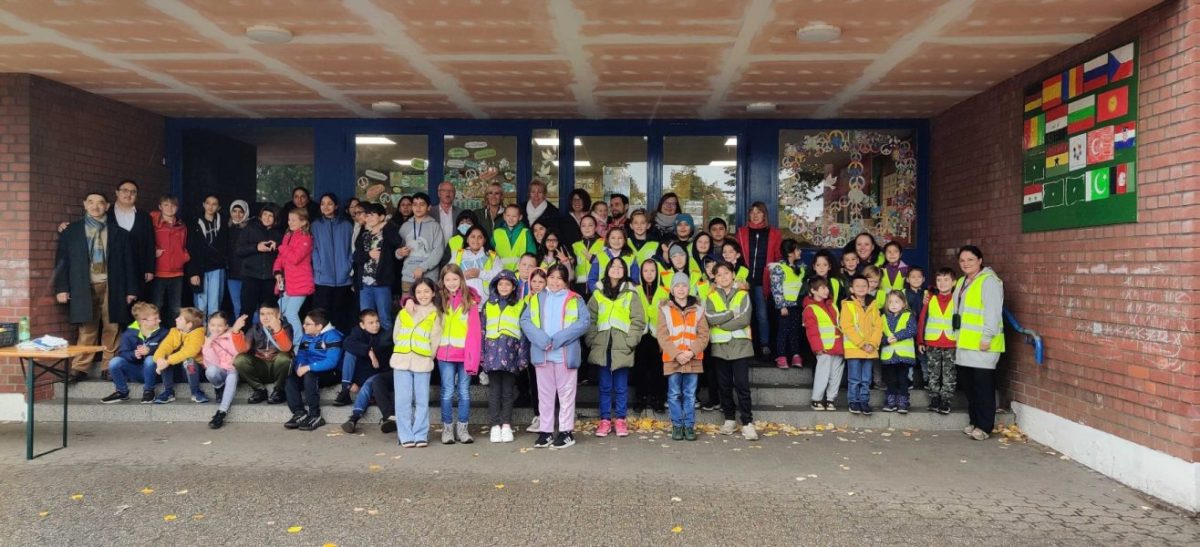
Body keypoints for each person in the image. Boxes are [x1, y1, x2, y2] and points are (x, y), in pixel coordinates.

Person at [54, 192, 139, 381]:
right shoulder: (72, 231)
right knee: (86, 327)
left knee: (113, 326)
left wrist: (131, 290)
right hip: (83, 285)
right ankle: (80, 368)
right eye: (91, 202)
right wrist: (61, 288)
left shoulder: (119, 233)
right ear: (84, 204)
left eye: (100, 203)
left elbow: (129, 263)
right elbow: (62, 261)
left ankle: (109, 366)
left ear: (107, 206)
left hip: (112, 285)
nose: (95, 206)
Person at [520, 263, 591, 449]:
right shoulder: (536, 298)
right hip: (543, 354)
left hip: (564, 355)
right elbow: (525, 321)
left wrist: (559, 339)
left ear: (565, 280)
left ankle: (566, 432)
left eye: (559, 278)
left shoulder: (575, 299)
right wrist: (541, 339)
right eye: (551, 277)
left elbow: (584, 322)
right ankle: (546, 431)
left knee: (566, 395)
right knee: (544, 395)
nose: (555, 281)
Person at [586, 258, 645, 438]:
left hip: (622, 346)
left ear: (625, 271)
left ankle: (620, 419)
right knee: (604, 386)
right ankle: (604, 420)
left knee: (620, 386)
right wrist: (591, 339)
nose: (617, 269)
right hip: (602, 346)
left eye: (621, 267)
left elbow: (638, 320)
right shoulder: (597, 293)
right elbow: (590, 319)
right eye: (613, 266)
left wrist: (631, 342)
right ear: (607, 269)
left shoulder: (630, 293)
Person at [951, 246, 1004, 441]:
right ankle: (974, 421)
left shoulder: (989, 282)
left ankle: (984, 426)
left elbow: (993, 311)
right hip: (965, 344)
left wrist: (987, 336)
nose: (966, 263)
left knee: (983, 387)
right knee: (970, 386)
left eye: (970, 260)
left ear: (980, 260)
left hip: (983, 344)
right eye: (962, 260)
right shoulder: (962, 281)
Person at [705, 261, 758, 440]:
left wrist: (723, 324)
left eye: (726, 273)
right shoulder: (711, 296)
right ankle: (729, 419)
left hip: (740, 345)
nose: (723, 277)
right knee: (724, 386)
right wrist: (729, 314)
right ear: (715, 278)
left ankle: (747, 422)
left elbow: (744, 318)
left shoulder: (743, 294)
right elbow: (710, 318)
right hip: (720, 347)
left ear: (733, 274)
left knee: (742, 385)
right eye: (718, 275)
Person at [657, 272, 710, 441]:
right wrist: (677, 354)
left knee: (690, 394)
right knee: (673, 394)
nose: (681, 289)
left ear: (689, 288)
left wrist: (690, 352)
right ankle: (677, 426)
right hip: (673, 359)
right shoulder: (664, 309)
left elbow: (704, 335)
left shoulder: (699, 309)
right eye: (677, 286)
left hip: (692, 358)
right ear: (672, 289)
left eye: (684, 285)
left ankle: (689, 426)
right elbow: (662, 335)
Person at [435, 264, 483, 445]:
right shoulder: (438, 299)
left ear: (461, 280)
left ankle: (462, 428)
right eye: (448, 280)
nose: (452, 283)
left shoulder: (470, 300)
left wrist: (475, 356)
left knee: (464, 392)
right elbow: (416, 294)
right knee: (447, 392)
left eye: (455, 279)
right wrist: (406, 301)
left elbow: (475, 330)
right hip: (445, 354)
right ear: (443, 281)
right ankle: (447, 428)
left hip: (465, 354)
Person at [391, 278, 442, 448]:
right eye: (419, 292)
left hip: (422, 361)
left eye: (426, 291)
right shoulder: (404, 311)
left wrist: (429, 356)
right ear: (414, 294)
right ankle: (405, 435)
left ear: (433, 293)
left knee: (421, 400)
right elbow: (396, 335)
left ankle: (420, 434)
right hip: (401, 360)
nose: (423, 295)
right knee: (402, 400)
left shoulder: (435, 313)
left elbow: (435, 338)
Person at [481, 270, 527, 443]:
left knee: (508, 392)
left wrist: (522, 356)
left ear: (514, 286)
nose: (504, 287)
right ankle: (494, 426)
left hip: (511, 353)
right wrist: (481, 355)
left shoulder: (520, 305)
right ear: (495, 286)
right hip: (492, 354)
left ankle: (506, 425)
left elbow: (523, 333)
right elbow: (482, 330)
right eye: (500, 284)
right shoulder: (488, 305)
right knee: (494, 392)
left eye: (508, 284)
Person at [283, 309, 344, 432]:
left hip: (331, 373)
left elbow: (332, 362)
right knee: (290, 379)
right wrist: (300, 366)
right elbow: (301, 355)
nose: (303, 326)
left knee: (310, 375)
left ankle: (315, 415)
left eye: (307, 324)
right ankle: (299, 413)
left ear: (319, 326)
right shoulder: (306, 336)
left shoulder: (333, 336)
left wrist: (309, 367)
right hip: (309, 371)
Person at [736, 201, 781, 358]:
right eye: (752, 212)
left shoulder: (774, 233)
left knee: (762, 315)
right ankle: (744, 345)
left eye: (759, 212)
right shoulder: (741, 232)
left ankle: (764, 345)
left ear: (764, 215)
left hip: (763, 281)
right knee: (742, 314)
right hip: (744, 280)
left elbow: (778, 258)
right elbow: (737, 256)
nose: (755, 215)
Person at [100, 302, 168, 404]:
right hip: (137, 371)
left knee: (150, 359)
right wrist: (134, 354)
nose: (159, 320)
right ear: (143, 321)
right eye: (155, 319)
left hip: (156, 372)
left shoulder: (164, 332)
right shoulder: (129, 333)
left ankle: (149, 391)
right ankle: (122, 392)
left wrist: (150, 350)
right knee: (114, 362)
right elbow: (122, 353)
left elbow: (169, 351)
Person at [353, 203, 404, 334]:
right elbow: (356, 257)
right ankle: (368, 349)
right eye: (367, 215)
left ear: (382, 217)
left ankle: (386, 350)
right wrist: (368, 254)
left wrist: (385, 225)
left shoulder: (387, 232)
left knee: (384, 318)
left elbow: (397, 241)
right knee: (366, 318)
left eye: (373, 215)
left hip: (381, 283)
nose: (369, 217)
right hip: (364, 284)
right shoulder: (364, 234)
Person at [232, 303, 293, 405]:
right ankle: (259, 390)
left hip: (278, 368)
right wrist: (235, 331)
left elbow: (286, 348)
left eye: (270, 314)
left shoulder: (286, 326)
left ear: (278, 315)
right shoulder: (255, 327)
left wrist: (277, 329)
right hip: (261, 367)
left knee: (285, 358)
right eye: (262, 314)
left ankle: (279, 390)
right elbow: (243, 349)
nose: (265, 317)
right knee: (239, 359)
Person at [311, 193, 355, 334]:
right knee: (321, 314)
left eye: (330, 203)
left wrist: (347, 267)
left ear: (336, 206)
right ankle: (322, 344)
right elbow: (313, 249)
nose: (326, 206)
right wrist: (319, 267)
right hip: (323, 278)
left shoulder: (347, 225)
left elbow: (352, 248)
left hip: (343, 279)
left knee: (341, 315)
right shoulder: (315, 225)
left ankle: (339, 345)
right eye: (323, 203)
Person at [334, 309, 393, 408]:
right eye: (371, 323)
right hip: (360, 372)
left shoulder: (383, 335)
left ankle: (348, 390)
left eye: (377, 321)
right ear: (362, 325)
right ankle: (345, 388)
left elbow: (379, 366)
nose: (376, 325)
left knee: (353, 352)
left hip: (374, 373)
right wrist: (369, 351)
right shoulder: (357, 331)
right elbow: (347, 343)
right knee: (349, 353)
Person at [841, 274, 882, 416]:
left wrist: (873, 343)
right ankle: (853, 401)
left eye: (864, 285)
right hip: (854, 348)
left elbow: (878, 326)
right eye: (857, 286)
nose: (861, 288)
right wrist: (862, 344)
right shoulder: (847, 304)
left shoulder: (873, 304)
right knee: (854, 379)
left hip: (870, 349)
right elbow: (847, 326)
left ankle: (864, 401)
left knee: (866, 379)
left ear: (868, 287)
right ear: (851, 288)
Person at [919, 268, 958, 415]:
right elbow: (923, 319)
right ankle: (934, 398)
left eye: (946, 279)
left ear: (953, 282)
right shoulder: (930, 299)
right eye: (939, 280)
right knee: (933, 373)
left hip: (951, 342)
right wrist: (920, 341)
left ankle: (946, 400)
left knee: (949, 373)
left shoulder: (957, 299)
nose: (942, 283)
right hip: (932, 342)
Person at [235, 204, 283, 322]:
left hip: (269, 278)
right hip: (250, 276)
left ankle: (266, 339)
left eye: (270, 216)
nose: (267, 218)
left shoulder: (279, 233)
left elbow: (284, 256)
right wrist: (256, 247)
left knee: (268, 311)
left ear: (275, 218)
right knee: (246, 310)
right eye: (265, 214)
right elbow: (239, 250)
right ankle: (243, 338)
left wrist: (277, 247)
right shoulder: (250, 228)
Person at [151, 307, 208, 404]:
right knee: (164, 356)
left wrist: (167, 361)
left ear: (189, 324)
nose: (176, 319)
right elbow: (164, 347)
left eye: (180, 318)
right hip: (178, 371)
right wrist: (160, 359)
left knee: (189, 361)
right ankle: (168, 392)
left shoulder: (198, 334)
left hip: (195, 372)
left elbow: (189, 352)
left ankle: (196, 392)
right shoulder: (174, 331)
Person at [633, 260, 669, 413]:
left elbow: (668, 316)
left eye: (652, 270)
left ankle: (657, 399)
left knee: (657, 369)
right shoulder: (636, 290)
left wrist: (664, 338)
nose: (649, 274)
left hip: (657, 335)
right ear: (641, 273)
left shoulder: (664, 291)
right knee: (639, 368)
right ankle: (640, 398)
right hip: (641, 335)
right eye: (645, 270)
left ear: (657, 272)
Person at [110, 179, 157, 296]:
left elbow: (150, 244)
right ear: (117, 193)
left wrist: (150, 269)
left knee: (136, 304)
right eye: (125, 190)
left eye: (133, 192)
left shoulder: (144, 217)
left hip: (138, 268)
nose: (128, 194)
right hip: (112, 268)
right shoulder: (106, 214)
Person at [803, 278, 844, 411]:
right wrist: (817, 347)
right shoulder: (810, 309)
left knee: (836, 374)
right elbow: (812, 331)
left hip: (838, 346)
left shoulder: (832, 305)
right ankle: (817, 399)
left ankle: (831, 399)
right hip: (824, 348)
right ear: (813, 290)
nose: (827, 290)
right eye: (823, 287)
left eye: (827, 287)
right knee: (823, 373)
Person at [202, 311, 248, 429]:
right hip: (221, 371)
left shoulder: (235, 334)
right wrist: (208, 345)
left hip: (235, 369)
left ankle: (221, 412)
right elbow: (213, 363)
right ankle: (219, 387)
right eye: (212, 325)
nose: (215, 328)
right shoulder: (208, 340)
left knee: (232, 375)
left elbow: (239, 354)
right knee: (211, 371)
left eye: (219, 325)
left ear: (226, 326)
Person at [274, 208, 315, 337]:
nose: (290, 223)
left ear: (303, 222)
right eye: (289, 220)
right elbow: (281, 258)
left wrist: (280, 247)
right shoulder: (287, 236)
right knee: (279, 311)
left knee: (291, 313)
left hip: (301, 282)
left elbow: (294, 258)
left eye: (294, 220)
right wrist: (277, 271)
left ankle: (299, 344)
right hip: (289, 282)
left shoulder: (306, 237)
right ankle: (284, 340)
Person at [149, 195, 190, 325]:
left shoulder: (182, 226)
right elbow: (144, 241)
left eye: (173, 205)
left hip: (177, 272)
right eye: (166, 205)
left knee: (175, 308)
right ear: (160, 207)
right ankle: (155, 335)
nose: (169, 208)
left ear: (177, 208)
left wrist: (184, 257)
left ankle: (174, 335)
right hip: (158, 271)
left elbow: (185, 245)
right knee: (157, 306)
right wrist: (152, 251)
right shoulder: (152, 222)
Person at [187, 194, 227, 320]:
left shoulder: (223, 223)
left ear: (219, 207)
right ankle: (200, 335)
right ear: (203, 204)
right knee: (201, 305)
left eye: (214, 204)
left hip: (217, 267)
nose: (210, 206)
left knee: (215, 305)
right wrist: (193, 272)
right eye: (208, 203)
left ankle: (213, 335)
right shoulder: (195, 223)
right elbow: (191, 249)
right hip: (200, 268)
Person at [769, 239, 806, 369]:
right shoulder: (779, 268)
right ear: (790, 253)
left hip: (797, 306)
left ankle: (795, 355)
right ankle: (781, 356)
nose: (800, 252)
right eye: (797, 249)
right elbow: (776, 288)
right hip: (785, 307)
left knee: (795, 331)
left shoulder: (800, 268)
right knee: (783, 332)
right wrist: (781, 306)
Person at [397, 192, 446, 292]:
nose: (418, 207)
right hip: (408, 276)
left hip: (429, 277)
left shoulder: (435, 226)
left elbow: (438, 251)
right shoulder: (405, 226)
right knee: (408, 305)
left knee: (429, 305)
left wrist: (422, 268)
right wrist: (399, 253)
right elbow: (398, 248)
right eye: (414, 204)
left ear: (429, 207)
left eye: (422, 204)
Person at [519, 266, 547, 432]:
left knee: (548, 384)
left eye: (541, 281)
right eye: (534, 281)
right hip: (530, 347)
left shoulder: (550, 300)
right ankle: (538, 415)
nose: (537, 285)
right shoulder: (524, 300)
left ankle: (549, 415)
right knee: (535, 383)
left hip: (546, 346)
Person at [880, 291, 917, 413]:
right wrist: (885, 339)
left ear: (903, 303)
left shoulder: (908, 315)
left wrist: (897, 336)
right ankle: (891, 401)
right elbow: (878, 334)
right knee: (890, 379)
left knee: (902, 379)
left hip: (903, 356)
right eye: (890, 302)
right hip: (889, 356)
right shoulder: (883, 317)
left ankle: (903, 401)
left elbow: (912, 330)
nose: (893, 304)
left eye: (897, 301)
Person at [450, 225, 501, 300]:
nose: (476, 240)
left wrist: (480, 274)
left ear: (484, 240)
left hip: (487, 302)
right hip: (462, 301)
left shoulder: (492, 256)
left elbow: (499, 276)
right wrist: (463, 276)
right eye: (472, 237)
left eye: (480, 237)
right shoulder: (458, 254)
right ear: (467, 239)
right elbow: (449, 275)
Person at [903, 266, 928, 389]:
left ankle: (927, 379)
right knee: (908, 356)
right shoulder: (903, 293)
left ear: (923, 279)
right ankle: (909, 379)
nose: (916, 279)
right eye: (912, 277)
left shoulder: (927, 294)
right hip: (907, 330)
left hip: (923, 330)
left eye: (919, 277)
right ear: (907, 279)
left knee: (924, 356)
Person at [493, 204, 536, 271]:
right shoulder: (496, 232)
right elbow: (490, 253)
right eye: (508, 215)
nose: (510, 218)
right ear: (504, 216)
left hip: (520, 273)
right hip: (500, 272)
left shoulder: (526, 232)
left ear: (520, 217)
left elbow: (532, 254)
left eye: (514, 216)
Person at [226, 200, 250, 317]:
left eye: (241, 211)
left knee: (249, 305)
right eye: (234, 211)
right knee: (237, 305)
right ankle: (239, 333)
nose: (237, 214)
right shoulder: (227, 228)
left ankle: (254, 333)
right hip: (232, 273)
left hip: (247, 272)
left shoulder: (250, 228)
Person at [570, 214, 604, 297]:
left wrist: (593, 259)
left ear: (596, 227)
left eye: (590, 225)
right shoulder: (575, 246)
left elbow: (607, 263)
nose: (587, 228)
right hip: (579, 289)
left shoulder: (604, 243)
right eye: (583, 225)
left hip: (598, 287)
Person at [626, 209, 660, 273]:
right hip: (629, 280)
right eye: (636, 223)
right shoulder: (625, 243)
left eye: (643, 223)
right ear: (631, 226)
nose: (639, 226)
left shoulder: (656, 244)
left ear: (648, 225)